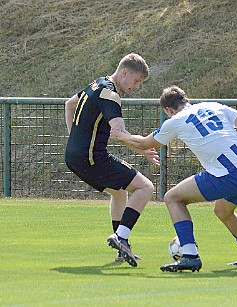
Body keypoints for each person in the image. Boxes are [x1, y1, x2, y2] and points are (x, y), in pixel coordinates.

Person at [110, 85, 237, 272]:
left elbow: (144, 143)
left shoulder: (175, 120)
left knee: (173, 198)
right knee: (223, 211)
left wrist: (119, 136)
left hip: (229, 174)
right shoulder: (213, 106)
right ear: (186, 99)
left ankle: (190, 255)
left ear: (168, 110)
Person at [65, 53, 159, 267]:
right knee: (145, 187)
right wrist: (144, 144)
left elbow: (69, 104)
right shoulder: (110, 94)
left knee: (119, 192)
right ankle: (121, 237)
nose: (136, 87)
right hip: (92, 158)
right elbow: (118, 133)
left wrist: (75, 139)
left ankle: (120, 249)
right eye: (136, 81)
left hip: (75, 156)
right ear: (124, 72)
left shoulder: (97, 84)